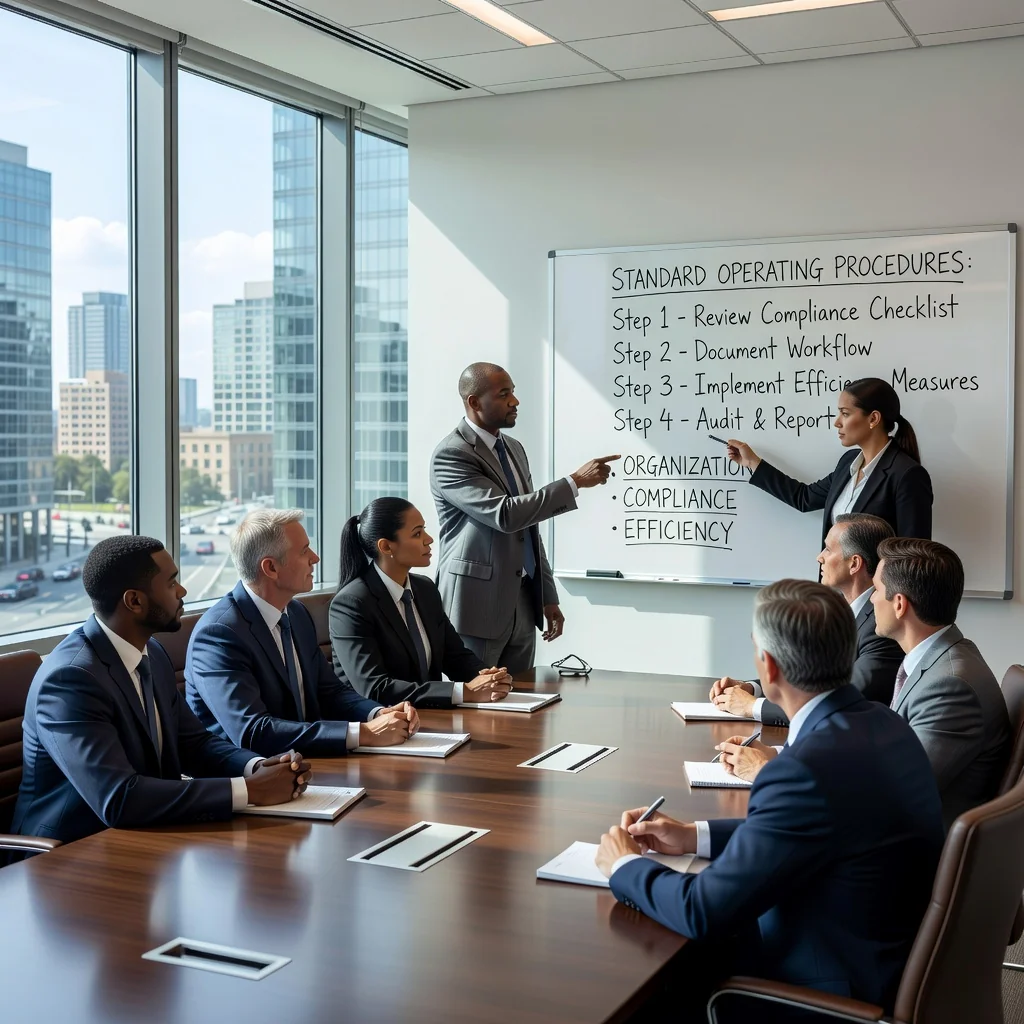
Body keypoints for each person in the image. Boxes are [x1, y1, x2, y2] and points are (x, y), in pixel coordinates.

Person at [595, 579, 944, 1019]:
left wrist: (624, 865)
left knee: (653, 988)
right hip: (880, 958)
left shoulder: (803, 771)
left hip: (825, 993)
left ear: (769, 667)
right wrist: (692, 836)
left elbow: (702, 910)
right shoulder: (886, 724)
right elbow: (813, 827)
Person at [11, 536, 311, 847]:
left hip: (143, 836)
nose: (182, 591)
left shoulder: (150, 653)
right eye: (171, 583)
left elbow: (194, 744)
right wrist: (250, 790)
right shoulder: (70, 680)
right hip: (66, 856)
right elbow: (118, 798)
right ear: (135, 601)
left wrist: (257, 766)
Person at [430, 361, 619, 673]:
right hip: (476, 606)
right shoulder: (452, 454)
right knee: (477, 707)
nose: (515, 401)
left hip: (522, 600)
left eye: (513, 392)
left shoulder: (514, 448)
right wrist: (574, 482)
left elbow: (528, 527)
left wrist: (546, 595)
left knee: (520, 704)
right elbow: (505, 514)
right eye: (504, 394)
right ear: (475, 402)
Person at [186, 509, 420, 757]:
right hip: (253, 779)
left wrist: (378, 714)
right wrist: (364, 733)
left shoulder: (295, 613)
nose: (315, 558)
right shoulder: (219, 635)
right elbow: (253, 731)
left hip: (306, 763)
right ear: (271, 568)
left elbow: (329, 691)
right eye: (304, 550)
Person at [709, 514, 903, 779]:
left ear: (855, 563)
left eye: (827, 548)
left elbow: (841, 696)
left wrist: (752, 706)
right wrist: (751, 686)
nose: (819, 557)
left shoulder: (881, 625)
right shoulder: (840, 609)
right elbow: (809, 666)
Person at [870, 537, 1011, 828]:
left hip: (912, 848)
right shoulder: (941, 655)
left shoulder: (949, 685)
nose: (870, 599)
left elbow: (894, 790)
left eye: (876, 590)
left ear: (899, 604)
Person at [330, 497, 514, 708]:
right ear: (386, 546)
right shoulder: (351, 603)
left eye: (424, 530)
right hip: (382, 723)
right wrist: (465, 691)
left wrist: (488, 676)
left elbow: (454, 656)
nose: (429, 539)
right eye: (417, 533)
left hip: (429, 716)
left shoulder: (424, 588)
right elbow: (375, 688)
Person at [726, 377, 932, 549]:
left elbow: (912, 554)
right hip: (835, 592)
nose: (837, 422)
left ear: (873, 419)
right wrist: (752, 461)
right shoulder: (848, 463)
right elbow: (804, 498)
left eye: (845, 413)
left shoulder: (907, 475)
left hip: (876, 595)